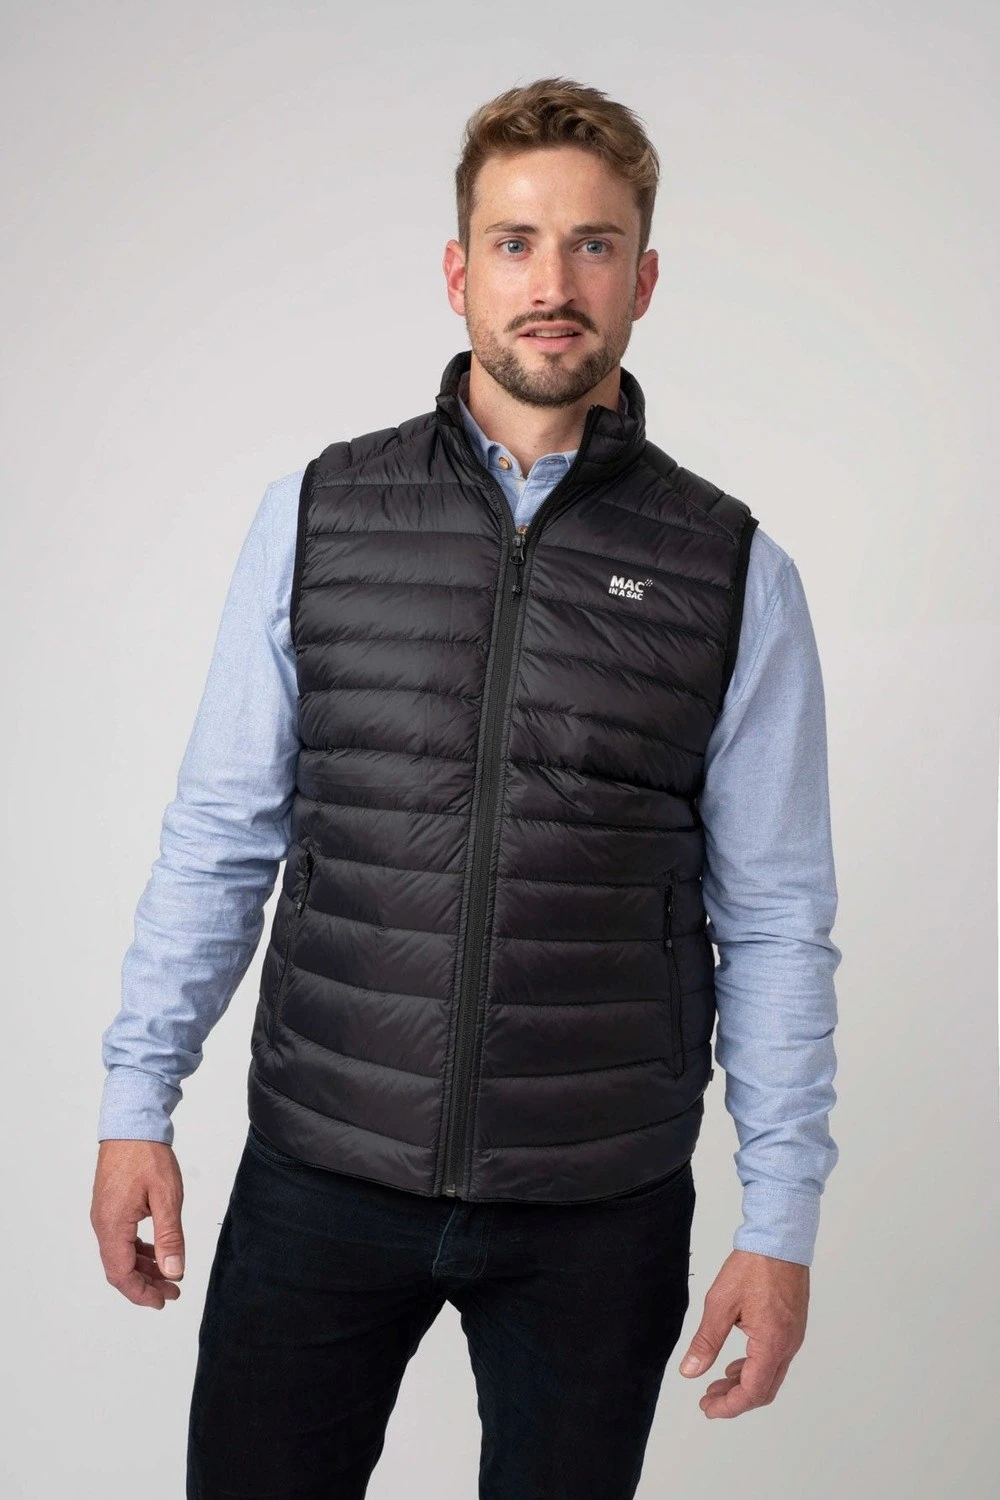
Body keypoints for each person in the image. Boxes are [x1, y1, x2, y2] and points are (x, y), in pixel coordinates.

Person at [90, 76, 841, 1498]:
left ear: (644, 280)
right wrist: (139, 1100)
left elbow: (777, 917)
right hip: (321, 1173)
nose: (553, 284)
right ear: (458, 272)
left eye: (594, 245)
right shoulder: (319, 514)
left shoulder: (733, 569)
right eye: (515, 242)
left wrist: (782, 1219)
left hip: (598, 1207)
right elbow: (221, 837)